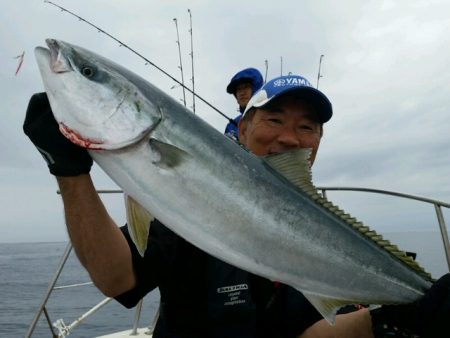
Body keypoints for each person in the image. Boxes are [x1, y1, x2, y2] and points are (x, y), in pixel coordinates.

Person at [24, 75, 450, 338]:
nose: (290, 137)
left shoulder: (332, 234)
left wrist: (411, 314)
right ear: (244, 128)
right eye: (275, 119)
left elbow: (317, 332)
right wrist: (69, 171)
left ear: (317, 144)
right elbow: (117, 280)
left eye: (307, 127)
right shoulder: (191, 202)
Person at [224, 67, 263, 140]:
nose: (242, 93)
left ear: (256, 89)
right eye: (238, 89)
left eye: (246, 87)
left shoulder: (271, 118)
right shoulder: (232, 125)